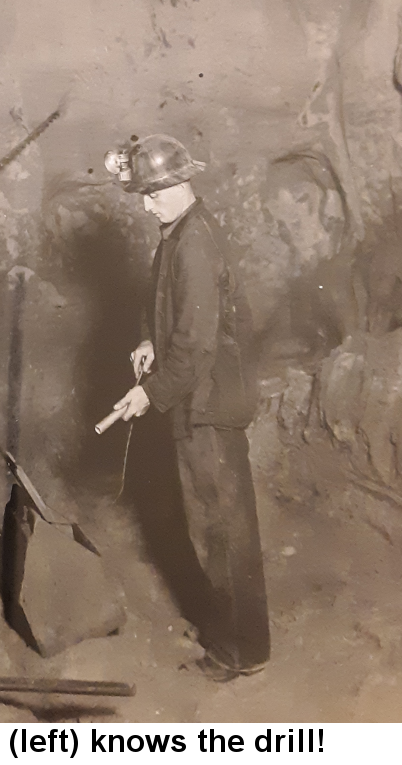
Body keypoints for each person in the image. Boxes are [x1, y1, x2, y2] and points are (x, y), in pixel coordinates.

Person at [105, 134, 269, 681]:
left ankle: (239, 650)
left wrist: (149, 393)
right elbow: (167, 308)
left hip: (211, 405)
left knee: (223, 529)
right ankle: (234, 636)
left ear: (181, 183)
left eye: (153, 193)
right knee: (214, 524)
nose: (145, 204)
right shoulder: (175, 234)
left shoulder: (195, 242)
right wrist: (148, 339)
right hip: (196, 398)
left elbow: (197, 343)